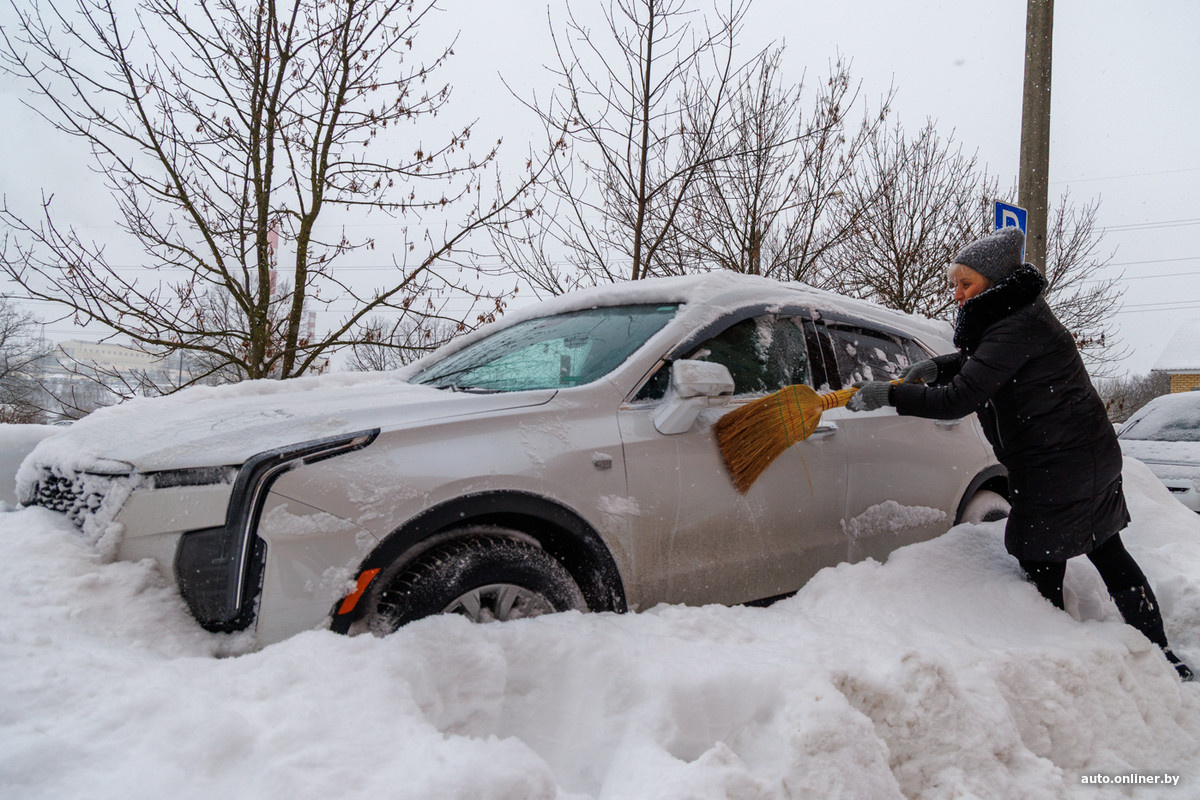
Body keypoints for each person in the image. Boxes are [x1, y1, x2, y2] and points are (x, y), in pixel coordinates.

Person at [847, 226, 1194, 682]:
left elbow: (960, 398)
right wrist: (942, 364)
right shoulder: (1020, 316)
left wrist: (891, 396)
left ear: (993, 282)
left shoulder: (1015, 324)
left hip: (1060, 465)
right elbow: (992, 360)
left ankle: (1053, 654)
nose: (956, 294)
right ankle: (1159, 653)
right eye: (954, 284)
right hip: (1083, 456)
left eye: (965, 284)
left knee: (1039, 555)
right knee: (1107, 551)